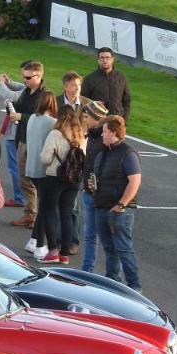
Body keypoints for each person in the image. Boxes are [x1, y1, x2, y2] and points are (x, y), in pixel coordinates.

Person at [0, 61, 53, 228]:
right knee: (24, 178)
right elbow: (18, 109)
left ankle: (39, 215)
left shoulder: (45, 96)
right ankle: (30, 213)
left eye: (28, 77)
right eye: (23, 76)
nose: (25, 80)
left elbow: (45, 119)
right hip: (23, 138)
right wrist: (9, 108)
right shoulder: (26, 91)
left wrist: (22, 117)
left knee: (36, 179)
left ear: (39, 75)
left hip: (37, 142)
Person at [91, 115, 142, 291]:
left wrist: (122, 205)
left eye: (104, 132)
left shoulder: (128, 153)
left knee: (123, 248)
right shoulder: (104, 152)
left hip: (120, 210)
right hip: (102, 206)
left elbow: (134, 181)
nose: (102, 135)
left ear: (113, 132)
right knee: (110, 248)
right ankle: (113, 283)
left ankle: (134, 286)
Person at [38, 105, 87, 264]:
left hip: (55, 176)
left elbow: (45, 158)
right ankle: (64, 253)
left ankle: (53, 250)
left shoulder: (55, 134)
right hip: (74, 179)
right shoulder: (80, 135)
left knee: (49, 211)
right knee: (66, 213)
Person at [22, 91, 59, 259]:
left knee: (43, 205)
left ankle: (34, 240)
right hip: (44, 170)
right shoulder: (53, 122)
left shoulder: (31, 118)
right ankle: (39, 245)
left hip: (31, 166)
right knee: (45, 208)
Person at [79, 100, 109, 273]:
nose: (84, 120)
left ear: (96, 118)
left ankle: (112, 274)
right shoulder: (91, 135)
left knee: (104, 237)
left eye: (86, 117)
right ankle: (87, 269)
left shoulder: (102, 140)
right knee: (90, 234)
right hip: (89, 191)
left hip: (99, 195)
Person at [83, 48, 131, 122]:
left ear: (112, 59)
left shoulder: (121, 77)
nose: (105, 60)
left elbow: (127, 100)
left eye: (107, 57)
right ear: (98, 60)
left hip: (117, 122)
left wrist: (124, 120)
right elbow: (84, 102)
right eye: (102, 57)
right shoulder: (89, 79)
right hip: (98, 123)